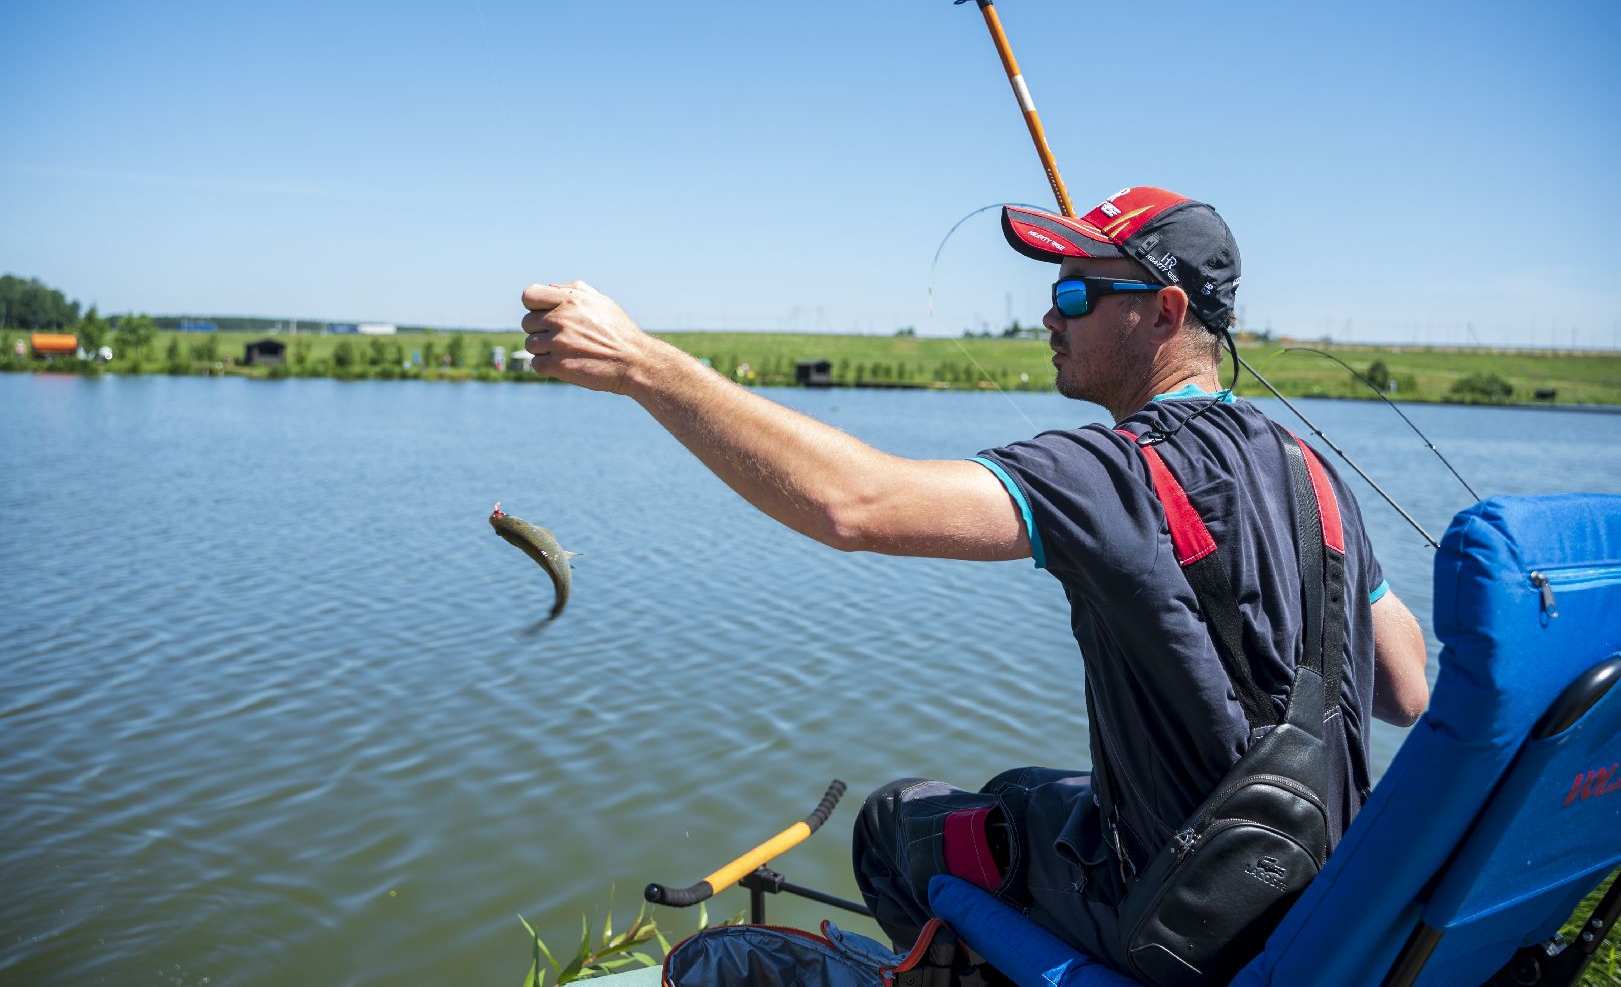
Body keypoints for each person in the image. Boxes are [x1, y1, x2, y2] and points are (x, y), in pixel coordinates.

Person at [517, 185, 1430, 973]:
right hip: (1309, 888)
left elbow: (854, 504)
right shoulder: (1313, 473)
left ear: (1162, 311)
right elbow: (1402, 686)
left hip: (1188, 921)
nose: (1048, 316)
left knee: (895, 826)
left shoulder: (1110, 471)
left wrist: (642, 363)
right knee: (1020, 792)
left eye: (1075, 292)